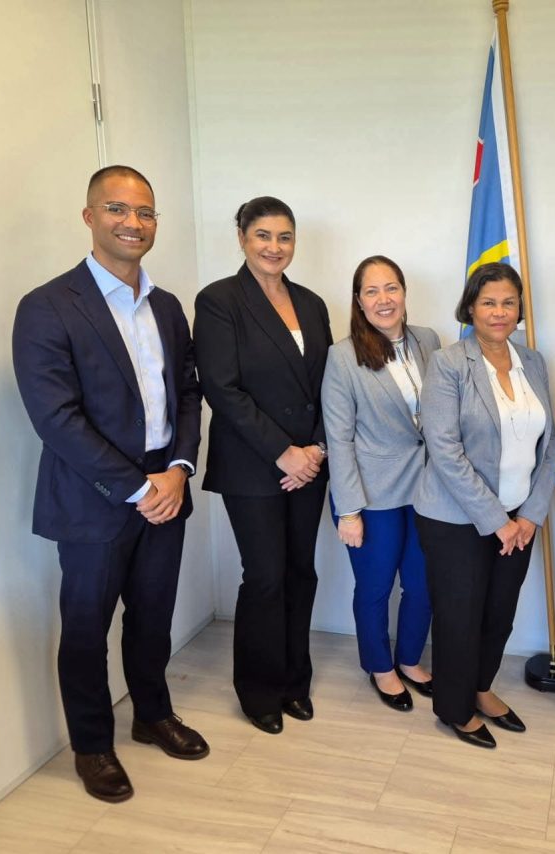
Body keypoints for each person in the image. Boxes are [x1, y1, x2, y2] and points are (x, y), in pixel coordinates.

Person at [12, 166, 209, 803]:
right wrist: (138, 487)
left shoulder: (167, 306)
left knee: (152, 618)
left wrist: (178, 470)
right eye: (118, 209)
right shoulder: (47, 306)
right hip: (93, 498)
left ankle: (152, 715)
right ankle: (92, 746)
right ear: (90, 216)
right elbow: (56, 418)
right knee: (86, 628)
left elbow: (187, 393)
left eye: (145, 212)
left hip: (166, 488)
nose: (133, 223)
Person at [193, 197, 332, 734]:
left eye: (285, 236)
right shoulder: (219, 300)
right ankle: (259, 691)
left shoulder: (312, 303)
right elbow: (222, 388)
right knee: (266, 577)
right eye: (263, 236)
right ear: (242, 238)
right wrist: (284, 452)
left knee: (301, 572)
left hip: (309, 465)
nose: (275, 247)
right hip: (253, 464)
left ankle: (296, 682)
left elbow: (329, 386)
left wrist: (315, 449)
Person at [414, 262, 555, 749]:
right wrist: (498, 521)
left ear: (519, 309)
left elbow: (550, 446)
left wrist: (530, 514)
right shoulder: (449, 363)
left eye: (508, 302)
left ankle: (480, 687)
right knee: (460, 616)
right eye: (489, 302)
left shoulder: (533, 361)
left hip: (521, 517)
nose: (499, 312)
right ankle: (455, 708)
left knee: (499, 613)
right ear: (471, 307)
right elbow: (444, 449)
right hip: (455, 518)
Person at [321, 255, 439, 711]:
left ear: (404, 293)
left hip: (427, 488)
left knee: (423, 584)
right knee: (375, 587)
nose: (383, 299)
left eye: (391, 288)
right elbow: (339, 437)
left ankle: (409, 659)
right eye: (371, 291)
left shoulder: (429, 340)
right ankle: (380, 666)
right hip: (371, 494)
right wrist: (349, 510)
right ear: (358, 301)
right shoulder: (343, 356)